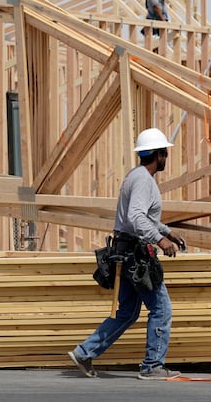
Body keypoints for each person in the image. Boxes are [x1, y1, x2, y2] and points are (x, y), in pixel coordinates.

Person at [68, 127, 187, 381]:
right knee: (161, 309)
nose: (167, 155)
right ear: (159, 154)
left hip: (126, 254)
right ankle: (153, 365)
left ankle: (84, 352)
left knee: (127, 313)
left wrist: (168, 231)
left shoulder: (136, 176)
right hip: (136, 255)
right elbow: (135, 217)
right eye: (165, 151)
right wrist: (161, 240)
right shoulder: (144, 180)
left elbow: (143, 217)